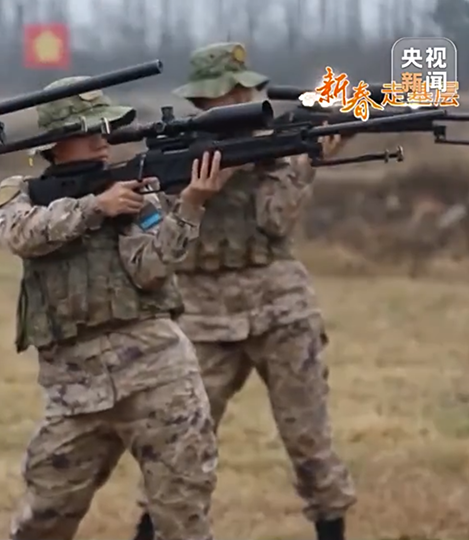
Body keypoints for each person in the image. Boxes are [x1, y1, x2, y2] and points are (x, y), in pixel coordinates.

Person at [0, 77, 234, 540]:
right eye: (90, 129)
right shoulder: (19, 191)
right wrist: (94, 208)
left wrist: (193, 206)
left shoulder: (133, 189)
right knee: (45, 517)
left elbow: (151, 270)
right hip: (75, 389)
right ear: (55, 142)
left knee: (183, 518)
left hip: (158, 374)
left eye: (108, 126)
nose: (104, 138)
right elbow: (21, 234)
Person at [131, 42, 355, 540]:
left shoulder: (272, 143)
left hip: (281, 307)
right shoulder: (173, 151)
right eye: (220, 98)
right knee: (180, 444)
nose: (232, 104)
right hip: (202, 314)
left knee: (309, 442)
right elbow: (159, 233)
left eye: (240, 93)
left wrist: (302, 162)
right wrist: (197, 191)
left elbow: (275, 223)